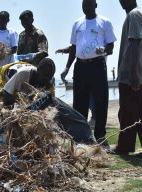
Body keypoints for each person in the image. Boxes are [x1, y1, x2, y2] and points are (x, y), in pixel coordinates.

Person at [60, 0, 117, 148]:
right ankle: (82, 137)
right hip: (80, 66)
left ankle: (100, 137)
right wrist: (66, 68)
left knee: (101, 101)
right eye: (84, 4)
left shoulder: (105, 22)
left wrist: (103, 50)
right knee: (79, 103)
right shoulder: (77, 23)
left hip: (98, 65)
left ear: (95, 5)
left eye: (89, 4)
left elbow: (110, 46)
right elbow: (74, 48)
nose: (86, 7)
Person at [111, 0, 142, 155]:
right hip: (133, 73)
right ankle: (128, 145)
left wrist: (134, 73)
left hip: (130, 75)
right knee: (136, 112)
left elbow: (136, 42)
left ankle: (124, 146)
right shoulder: (133, 14)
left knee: (127, 112)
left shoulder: (134, 14)